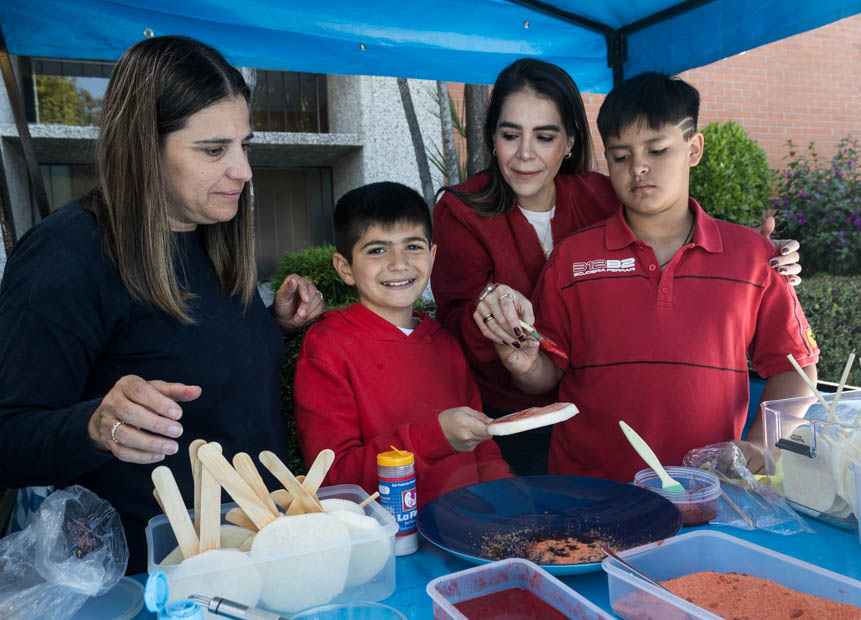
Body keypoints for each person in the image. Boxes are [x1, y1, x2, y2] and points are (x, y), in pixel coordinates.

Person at [0, 36, 325, 573]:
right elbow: (9, 434)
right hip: (145, 578)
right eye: (214, 150)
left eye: (245, 145)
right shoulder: (65, 257)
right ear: (144, 147)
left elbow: (181, 352)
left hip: (259, 553)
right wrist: (94, 425)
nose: (243, 171)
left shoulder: (213, 231)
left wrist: (272, 328)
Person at [431, 58, 802, 475]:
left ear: (569, 142)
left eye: (545, 135)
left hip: (699, 476)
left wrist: (749, 250)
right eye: (510, 134)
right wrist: (502, 331)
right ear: (493, 139)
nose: (525, 153)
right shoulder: (465, 212)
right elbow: (464, 324)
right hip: (521, 417)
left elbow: (669, 214)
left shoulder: (601, 192)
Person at [293, 182, 511, 506]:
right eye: (378, 249)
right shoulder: (327, 347)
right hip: (389, 544)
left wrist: (513, 504)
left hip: (469, 533)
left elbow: (483, 443)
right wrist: (435, 438)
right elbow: (334, 478)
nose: (399, 263)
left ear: (432, 255)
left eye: (413, 246)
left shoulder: (446, 343)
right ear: (345, 268)